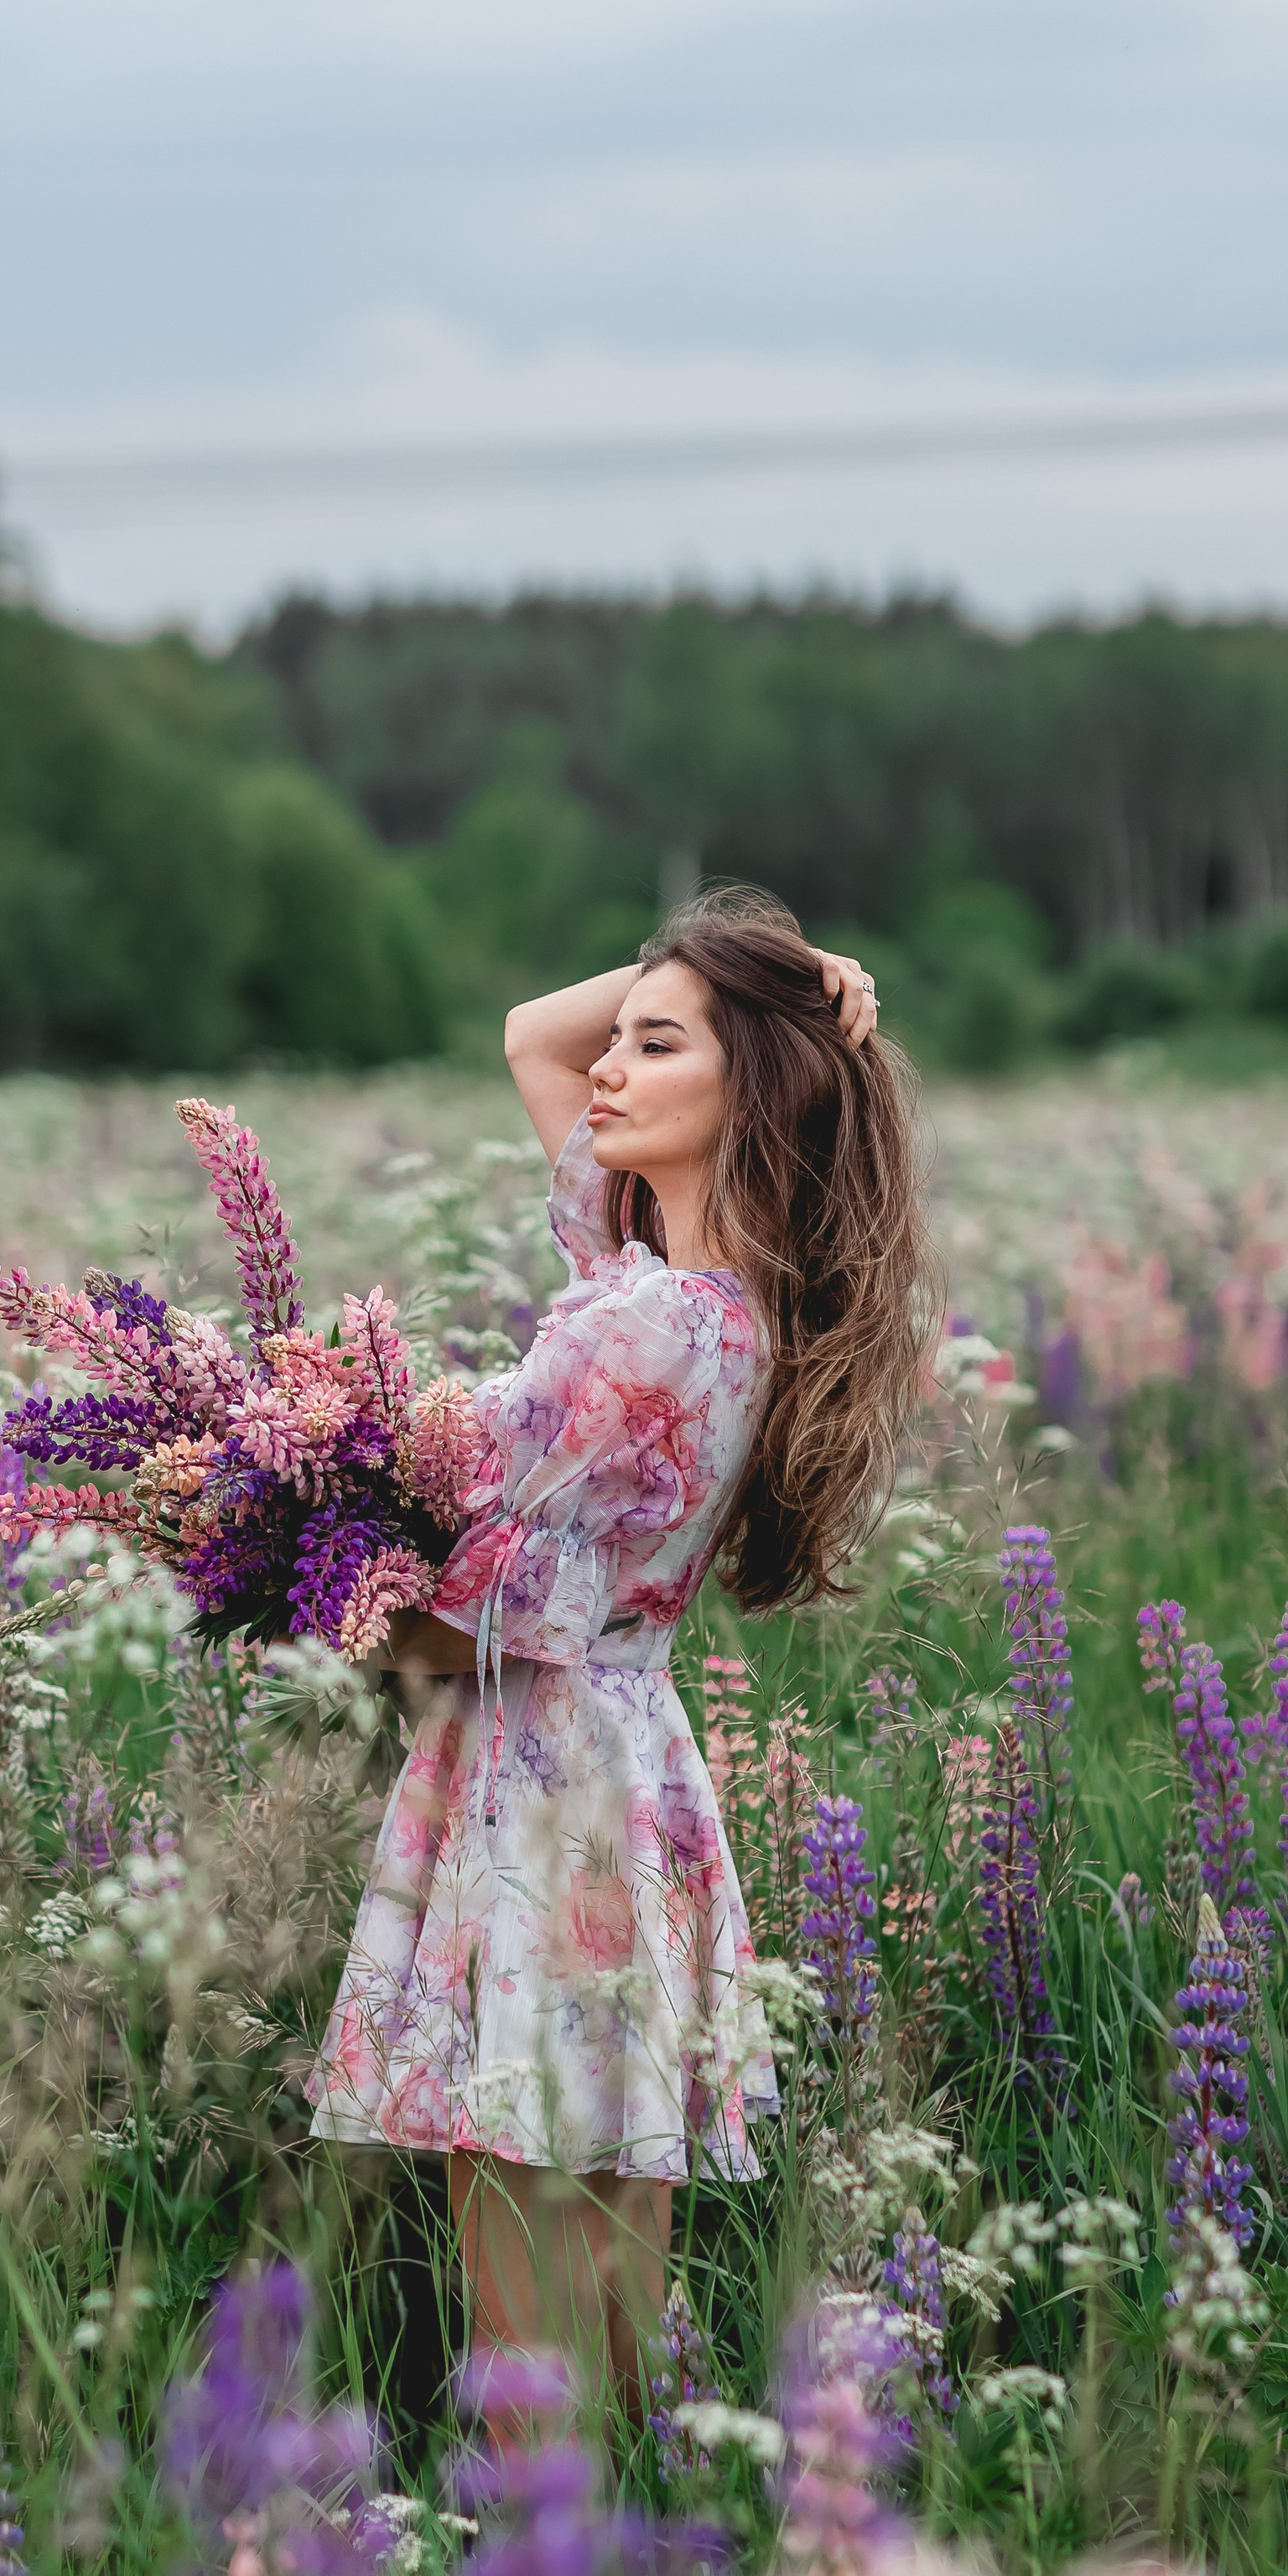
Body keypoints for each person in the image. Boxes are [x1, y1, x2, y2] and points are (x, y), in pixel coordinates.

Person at [305, 886, 934, 2412]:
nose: (606, 1067)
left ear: (753, 1092)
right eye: (626, 1040)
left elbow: (467, 1632)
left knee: (527, 2252)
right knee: (609, 2253)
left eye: (656, 1048)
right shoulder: (721, 1307)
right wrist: (765, 983)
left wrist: (313, 1578)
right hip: (632, 1771)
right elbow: (536, 1035)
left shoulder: (630, 1327)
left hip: (537, 1784)